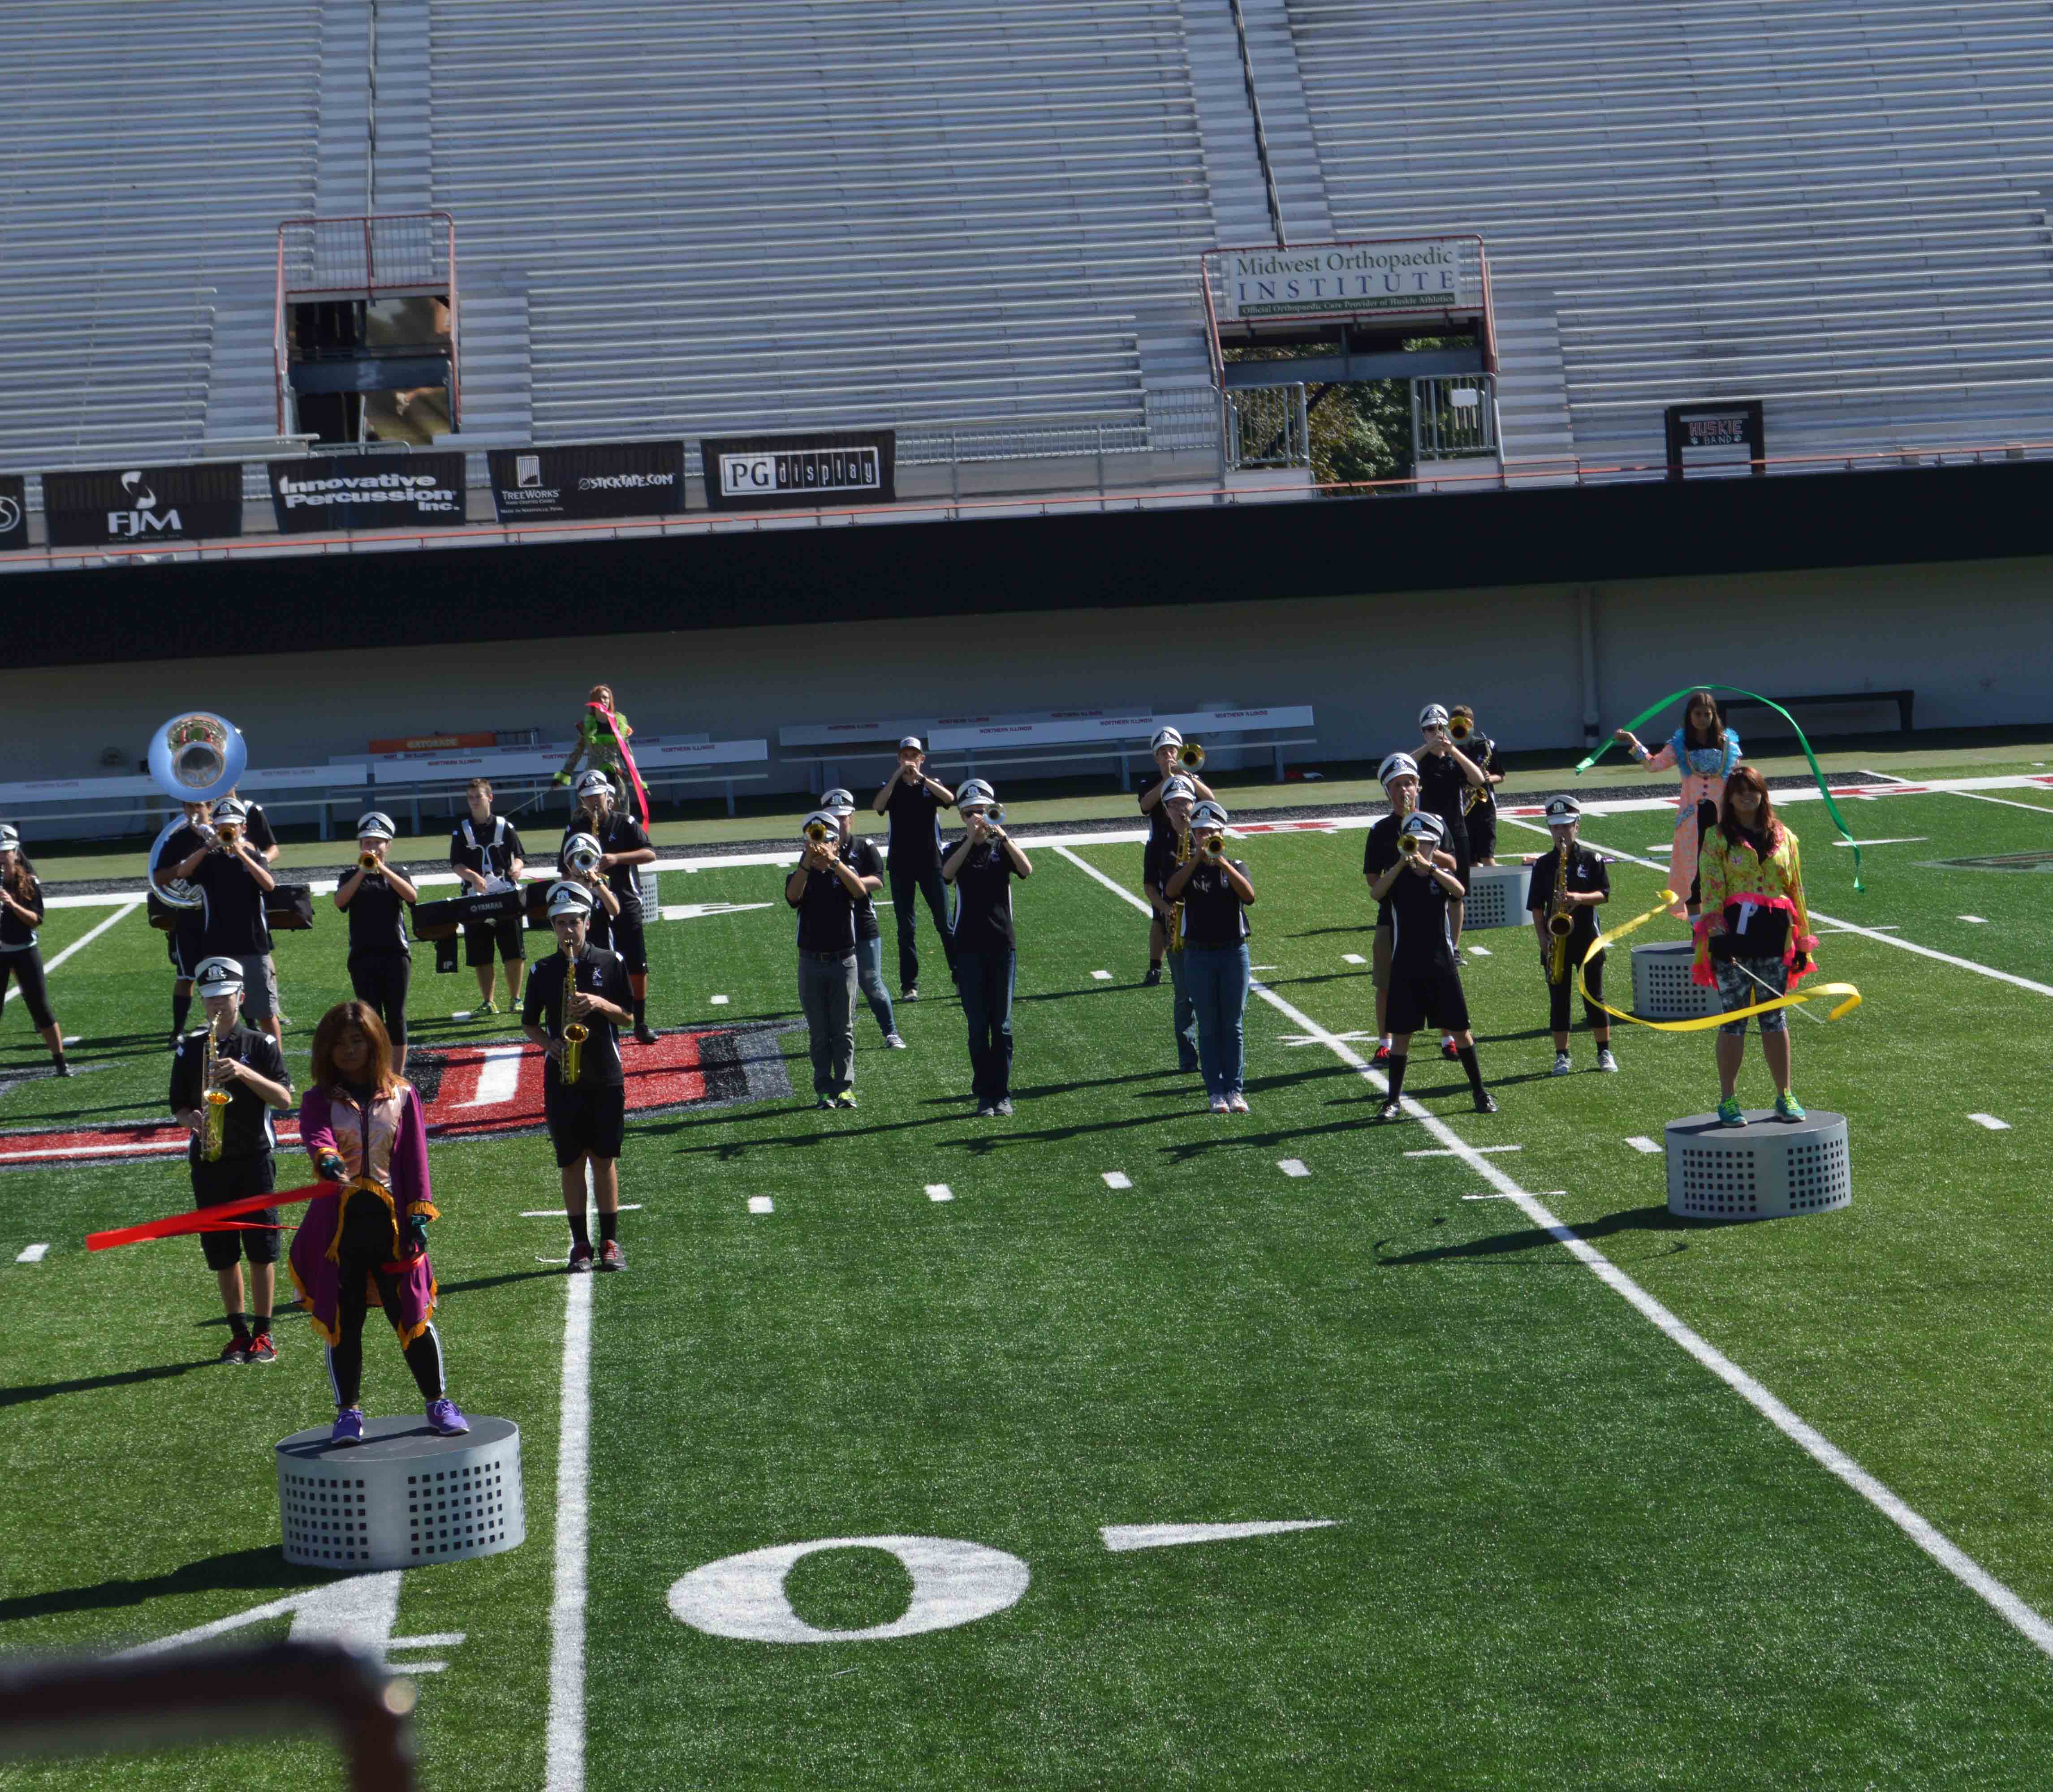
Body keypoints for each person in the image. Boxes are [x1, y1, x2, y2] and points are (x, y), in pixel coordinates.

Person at [289, 1003, 466, 1446]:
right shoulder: (317, 1100)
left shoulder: (403, 1095)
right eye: (339, 1043)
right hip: (338, 1232)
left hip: (394, 1232)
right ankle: (348, 1412)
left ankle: (438, 1401)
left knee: (412, 1317)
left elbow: (416, 1160)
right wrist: (327, 1159)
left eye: (358, 1040)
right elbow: (317, 1136)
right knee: (343, 1323)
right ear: (325, 1051)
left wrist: (418, 1214)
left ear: (375, 1043)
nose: (349, 1050)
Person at [170, 956, 294, 1364]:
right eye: (210, 999)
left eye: (225, 998)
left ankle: (264, 1333)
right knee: (223, 1252)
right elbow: (179, 1106)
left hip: (254, 1158)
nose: (217, 1006)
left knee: (261, 1249)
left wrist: (242, 1071)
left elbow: (284, 1099)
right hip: (209, 1160)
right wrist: (193, 1121)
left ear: (241, 997)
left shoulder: (262, 1045)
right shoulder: (190, 1048)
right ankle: (238, 1333)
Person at [522, 882, 637, 1271]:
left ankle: (609, 1241)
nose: (569, 931)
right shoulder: (543, 970)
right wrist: (550, 1045)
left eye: (575, 922)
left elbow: (629, 1017)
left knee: (604, 1159)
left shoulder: (610, 961)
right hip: (563, 1077)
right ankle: (580, 1245)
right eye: (561, 924)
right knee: (570, 1162)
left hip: (605, 1073)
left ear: (588, 922)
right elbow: (529, 1024)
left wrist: (601, 1003)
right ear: (553, 927)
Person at [1694, 766, 1817, 1126]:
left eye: (1754, 789)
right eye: (1740, 791)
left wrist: (1803, 941)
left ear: (1764, 794)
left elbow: (1796, 890)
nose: (1747, 796)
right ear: (1730, 798)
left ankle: (1785, 1095)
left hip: (1775, 935)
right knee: (1734, 1019)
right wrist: (1717, 937)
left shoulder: (1785, 835)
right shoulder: (1717, 838)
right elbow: (1712, 889)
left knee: (1774, 1017)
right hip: (1734, 936)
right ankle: (1728, 1099)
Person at [1369, 811, 1496, 1120]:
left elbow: (1460, 891)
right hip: (1406, 966)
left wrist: (1432, 868)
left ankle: (1480, 1091)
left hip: (1441, 966)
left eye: (1425, 843)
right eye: (1414, 843)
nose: (1418, 848)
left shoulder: (1439, 878)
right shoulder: (1398, 878)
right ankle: (1393, 1100)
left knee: (1461, 1032)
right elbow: (1376, 892)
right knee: (1401, 1035)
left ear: (1434, 845)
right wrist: (1401, 863)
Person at [162, 796, 283, 1051]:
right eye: (221, 826)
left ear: (244, 827)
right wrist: (208, 847)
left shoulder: (253, 854)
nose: (227, 830)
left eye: (233, 825)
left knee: (265, 1013)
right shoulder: (209, 859)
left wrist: (242, 853)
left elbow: (268, 884)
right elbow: (183, 873)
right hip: (219, 946)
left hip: (253, 945)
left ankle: (278, 1070)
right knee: (222, 1016)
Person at [1613, 689, 1743, 922]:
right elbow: (1653, 765)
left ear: (1714, 716)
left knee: (1722, 867)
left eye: (1707, 714)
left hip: (1721, 819)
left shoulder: (1728, 745)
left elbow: (1736, 778)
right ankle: (1696, 929)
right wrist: (1633, 742)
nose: (1702, 719)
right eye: (1697, 714)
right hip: (1692, 820)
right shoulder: (1679, 745)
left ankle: (1723, 923)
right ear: (1689, 716)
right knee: (1691, 872)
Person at [943, 787, 1032, 1118]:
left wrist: (1004, 836)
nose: (978, 818)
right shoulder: (954, 849)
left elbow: (1027, 870)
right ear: (962, 818)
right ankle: (984, 1094)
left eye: (982, 811)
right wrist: (971, 840)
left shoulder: (1001, 848)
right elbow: (946, 874)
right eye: (971, 813)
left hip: (1001, 946)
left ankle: (1003, 1093)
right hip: (968, 947)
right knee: (978, 1026)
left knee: (1003, 1026)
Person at [1162, 799, 1255, 1114]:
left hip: (1233, 951)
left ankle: (1235, 1089)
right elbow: (1171, 892)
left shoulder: (1237, 864)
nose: (1205, 837)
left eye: (1211, 832)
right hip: (1198, 954)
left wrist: (1223, 863)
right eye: (1200, 833)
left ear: (1222, 834)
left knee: (1233, 1024)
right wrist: (1196, 860)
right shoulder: (1186, 868)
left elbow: (1249, 896)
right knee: (1209, 1024)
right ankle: (1215, 1090)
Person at [562, 771, 658, 1043]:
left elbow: (650, 853)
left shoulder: (625, 822)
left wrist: (616, 858)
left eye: (598, 796)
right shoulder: (575, 828)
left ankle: (639, 1022)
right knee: (594, 962)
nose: (595, 802)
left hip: (625, 901)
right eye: (589, 798)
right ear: (582, 801)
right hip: (591, 907)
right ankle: (599, 1022)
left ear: (608, 796)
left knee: (636, 964)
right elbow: (564, 870)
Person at [1526, 796, 1617, 1076]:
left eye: (1566, 826)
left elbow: (1604, 894)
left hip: (1588, 938)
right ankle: (1562, 1056)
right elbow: (1537, 907)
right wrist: (1543, 938)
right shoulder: (1543, 865)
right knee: (1559, 1000)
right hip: (1557, 941)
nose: (1561, 833)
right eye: (1555, 828)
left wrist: (1578, 898)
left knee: (1594, 997)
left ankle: (1604, 1052)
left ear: (1578, 826)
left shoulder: (1591, 859)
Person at [785, 808, 870, 1109]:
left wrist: (834, 863)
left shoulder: (844, 874)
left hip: (844, 961)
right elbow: (793, 897)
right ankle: (823, 1088)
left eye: (826, 840)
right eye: (815, 839)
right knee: (819, 1031)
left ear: (837, 843)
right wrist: (808, 862)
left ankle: (845, 1088)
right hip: (811, 962)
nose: (821, 845)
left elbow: (860, 892)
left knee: (843, 1029)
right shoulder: (800, 875)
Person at [872, 737, 956, 1002]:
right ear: (899, 759)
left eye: (914, 755)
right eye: (905, 756)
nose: (909, 760)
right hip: (901, 866)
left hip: (932, 864)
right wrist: (898, 777)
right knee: (906, 929)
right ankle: (910, 985)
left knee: (945, 924)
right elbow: (878, 806)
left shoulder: (931, 785)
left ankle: (960, 977)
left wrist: (922, 778)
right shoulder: (892, 787)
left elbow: (949, 799)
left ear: (922, 758)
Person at [335, 812, 418, 1075]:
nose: (372, 847)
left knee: (396, 1016)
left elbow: (412, 896)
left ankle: (397, 1073)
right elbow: (340, 902)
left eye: (377, 842)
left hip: (395, 954)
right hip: (362, 956)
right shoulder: (349, 875)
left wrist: (382, 869)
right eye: (367, 842)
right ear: (360, 846)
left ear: (388, 845)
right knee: (369, 1018)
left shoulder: (397, 872)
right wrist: (362, 872)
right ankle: (376, 1070)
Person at [824, 788, 905, 1050]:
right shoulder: (819, 849)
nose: (838, 823)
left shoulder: (864, 846)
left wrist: (849, 881)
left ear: (852, 818)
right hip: (833, 926)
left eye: (842, 817)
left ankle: (891, 1032)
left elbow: (879, 880)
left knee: (871, 980)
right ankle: (838, 1037)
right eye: (832, 817)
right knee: (837, 987)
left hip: (863, 922)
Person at [1137, 727, 1214, 984]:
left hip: (1191, 843)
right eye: (1163, 752)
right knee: (1160, 910)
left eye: (1172, 750)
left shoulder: (1191, 776)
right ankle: (1155, 966)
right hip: (1161, 848)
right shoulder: (1150, 783)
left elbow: (1211, 802)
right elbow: (1145, 806)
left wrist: (1186, 776)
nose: (1169, 755)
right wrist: (1168, 780)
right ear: (1156, 757)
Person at [1361, 753, 1421, 1069]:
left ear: (1418, 786)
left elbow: (1455, 866)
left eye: (1409, 784)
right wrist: (1398, 869)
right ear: (1389, 792)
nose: (1404, 791)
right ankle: (1385, 1044)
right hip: (1392, 916)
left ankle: (1448, 1038)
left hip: (1427, 916)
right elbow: (1373, 880)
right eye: (1397, 786)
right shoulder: (1381, 830)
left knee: (1436, 981)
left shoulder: (1433, 823)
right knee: (1386, 983)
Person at [449, 777, 527, 1016]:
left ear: (489, 798)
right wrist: (473, 877)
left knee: (513, 950)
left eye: (478, 797)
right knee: (481, 953)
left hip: (506, 896)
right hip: (475, 897)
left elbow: (521, 856)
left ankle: (515, 999)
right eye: (470, 798)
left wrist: (517, 868)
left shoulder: (506, 827)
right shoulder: (461, 831)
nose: (474, 802)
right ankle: (488, 1001)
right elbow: (456, 864)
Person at [0, 826, 69, 1077]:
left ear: (15, 853)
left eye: (5, 852)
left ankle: (60, 1062)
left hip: (23, 949)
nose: (1, 857)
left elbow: (36, 920)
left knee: (40, 1008)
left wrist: (11, 904)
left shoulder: (27, 882)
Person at [1143, 776, 1200, 1075]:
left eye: (1185, 802)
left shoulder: (1204, 836)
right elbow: (1150, 886)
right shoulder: (1156, 845)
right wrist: (1165, 910)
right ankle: (1188, 1056)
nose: (1181, 808)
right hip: (1178, 925)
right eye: (1174, 804)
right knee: (1184, 995)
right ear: (1165, 809)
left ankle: (1214, 1051)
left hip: (1207, 923)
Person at [157, 799, 213, 1045]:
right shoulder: (177, 841)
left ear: (210, 807)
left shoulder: (223, 832)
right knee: (186, 976)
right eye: (188, 807)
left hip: (221, 915)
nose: (193, 811)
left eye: (198, 806)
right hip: (189, 916)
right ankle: (177, 1030)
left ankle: (240, 1027)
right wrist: (182, 869)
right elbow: (159, 877)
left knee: (228, 971)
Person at [554, 682, 637, 796]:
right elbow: (577, 753)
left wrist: (638, 779)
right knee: (597, 812)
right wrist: (563, 776)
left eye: (606, 698)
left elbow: (628, 754)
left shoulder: (620, 725)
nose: (603, 701)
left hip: (618, 778)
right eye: (599, 698)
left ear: (610, 700)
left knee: (620, 813)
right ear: (593, 701)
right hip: (594, 779)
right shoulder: (586, 726)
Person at [1449, 707, 1506, 867]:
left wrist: (1489, 778)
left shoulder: (1486, 745)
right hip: (1463, 809)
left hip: (1485, 808)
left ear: (1472, 723)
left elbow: (1501, 775)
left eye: (1464, 723)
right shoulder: (1451, 749)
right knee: (1471, 862)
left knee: (1488, 859)